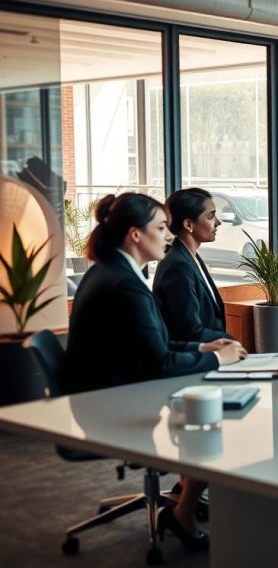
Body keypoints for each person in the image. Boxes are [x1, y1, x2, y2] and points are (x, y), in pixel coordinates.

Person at [62, 192, 246, 553]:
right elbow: (160, 362)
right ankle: (183, 512)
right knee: (211, 414)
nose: (168, 235)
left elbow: (155, 345)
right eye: (161, 228)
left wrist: (203, 349)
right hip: (111, 405)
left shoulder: (112, 272)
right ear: (135, 234)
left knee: (210, 404)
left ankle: (184, 496)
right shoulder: (125, 285)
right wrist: (217, 360)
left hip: (113, 392)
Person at [153, 188, 231, 343]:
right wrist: (230, 341)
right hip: (195, 353)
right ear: (189, 224)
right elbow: (190, 331)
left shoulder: (189, 256)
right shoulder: (178, 266)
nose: (218, 222)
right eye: (211, 216)